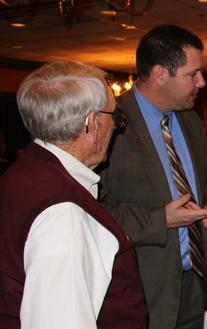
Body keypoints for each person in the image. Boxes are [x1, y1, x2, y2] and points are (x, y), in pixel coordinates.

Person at [98, 25, 207, 329]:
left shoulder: (189, 118)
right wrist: (161, 219)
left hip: (195, 282)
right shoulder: (111, 122)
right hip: (143, 290)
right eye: (192, 74)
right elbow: (93, 211)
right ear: (160, 74)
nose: (202, 82)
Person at [0, 61, 147, 328]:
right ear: (92, 123)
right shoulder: (63, 211)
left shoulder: (22, 174)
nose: (116, 127)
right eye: (115, 118)